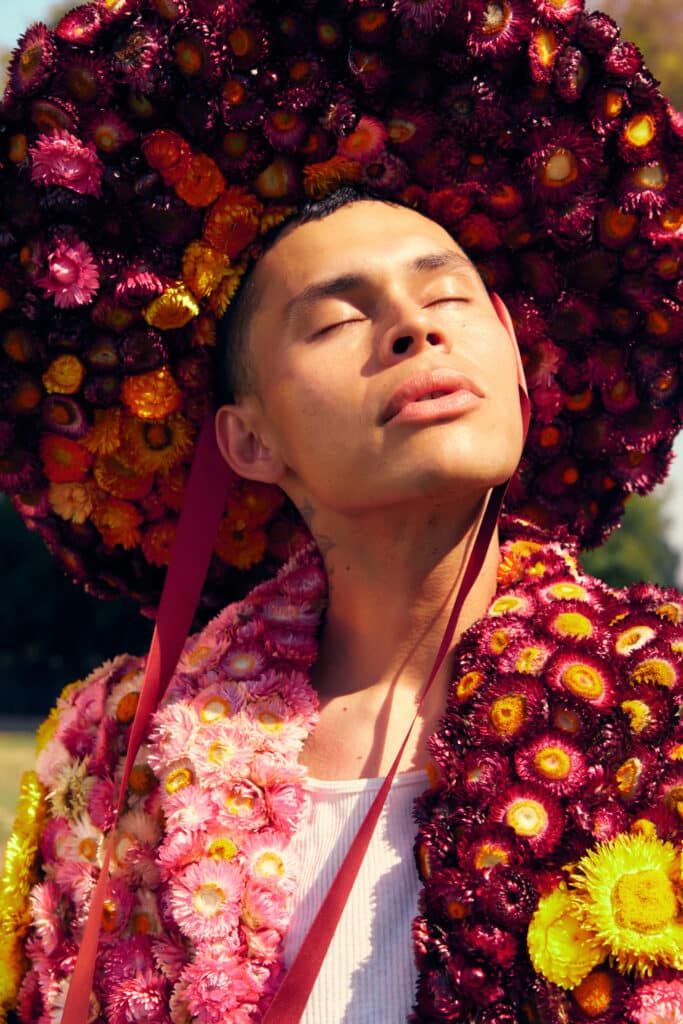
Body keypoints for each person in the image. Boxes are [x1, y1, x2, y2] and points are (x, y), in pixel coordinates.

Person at [0, 1, 681, 1022]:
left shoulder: (663, 705)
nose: (412, 328)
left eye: (447, 295)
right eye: (338, 318)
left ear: (515, 360)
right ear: (249, 440)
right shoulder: (114, 756)